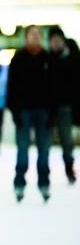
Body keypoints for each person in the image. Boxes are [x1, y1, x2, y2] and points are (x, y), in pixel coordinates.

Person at [6, 25, 54, 202]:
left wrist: (53, 113)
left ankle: (44, 183)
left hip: (44, 111)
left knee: (44, 151)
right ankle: (19, 183)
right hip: (24, 111)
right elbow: (11, 86)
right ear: (26, 37)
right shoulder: (18, 58)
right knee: (23, 150)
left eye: (38, 34)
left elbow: (54, 88)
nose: (35, 37)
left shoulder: (48, 58)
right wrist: (14, 111)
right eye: (32, 34)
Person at [48, 26, 79, 185]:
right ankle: (43, 172)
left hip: (65, 106)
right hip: (48, 107)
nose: (55, 43)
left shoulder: (73, 58)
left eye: (57, 40)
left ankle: (69, 168)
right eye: (52, 40)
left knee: (66, 140)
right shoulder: (46, 59)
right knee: (45, 141)